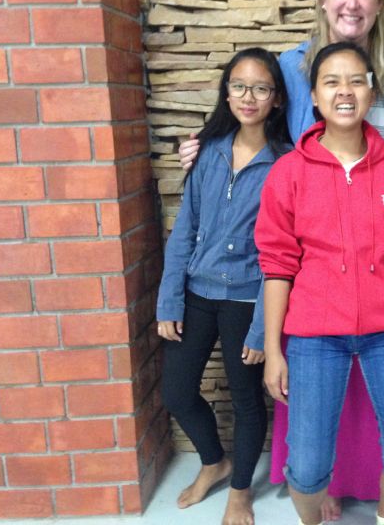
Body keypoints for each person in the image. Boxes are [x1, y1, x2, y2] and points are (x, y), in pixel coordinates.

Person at [177, 0, 384, 521]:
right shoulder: (292, 79)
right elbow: (251, 112)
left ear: (380, 3)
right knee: (312, 455)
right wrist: (206, 145)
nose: (352, 2)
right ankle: (322, 499)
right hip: (318, 306)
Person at [257, 41, 384, 525]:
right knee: (307, 469)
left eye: (357, 81)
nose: (345, 91)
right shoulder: (288, 173)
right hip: (315, 335)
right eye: (331, 82)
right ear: (314, 97)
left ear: (371, 93)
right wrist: (274, 350)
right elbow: (277, 266)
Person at [156, 48, 291, 525]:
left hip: (249, 299)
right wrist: (169, 299)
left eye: (261, 88)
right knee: (176, 392)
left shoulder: (285, 163)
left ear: (277, 99)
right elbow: (185, 229)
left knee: (246, 401)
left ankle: (240, 491)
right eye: (239, 86)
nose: (248, 96)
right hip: (197, 292)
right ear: (227, 92)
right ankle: (214, 462)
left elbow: (282, 253)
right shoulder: (207, 151)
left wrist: (262, 330)